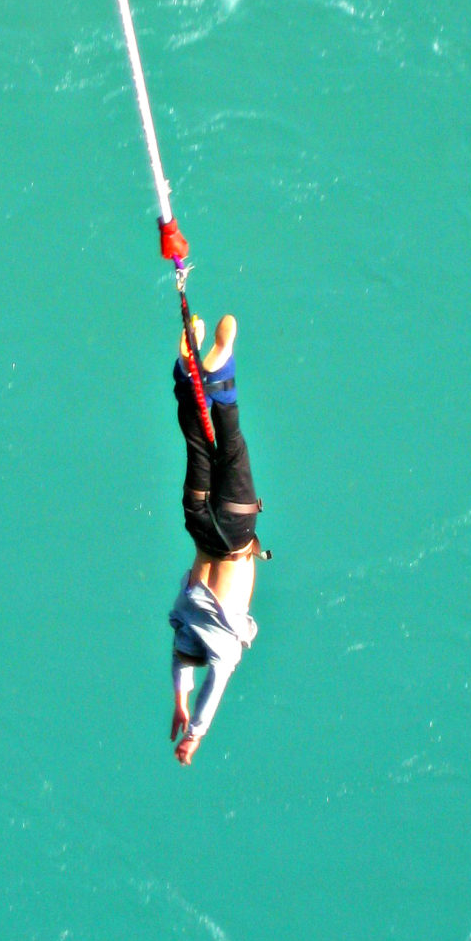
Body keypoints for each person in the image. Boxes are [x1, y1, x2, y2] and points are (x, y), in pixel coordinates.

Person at [168, 311, 266, 766]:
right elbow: (182, 663)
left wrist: (197, 733)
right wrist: (178, 702)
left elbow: (214, 686)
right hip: (197, 522)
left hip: (235, 532)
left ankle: (221, 369)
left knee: (232, 445)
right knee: (196, 440)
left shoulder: (224, 649)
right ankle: (188, 373)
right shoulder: (185, 620)